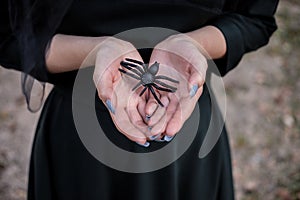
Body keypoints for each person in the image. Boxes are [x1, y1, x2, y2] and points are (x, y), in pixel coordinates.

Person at [0, 0, 279, 199]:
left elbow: (256, 18)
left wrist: (194, 45)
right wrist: (97, 51)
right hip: (79, 143)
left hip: (184, 126)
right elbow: (7, 36)